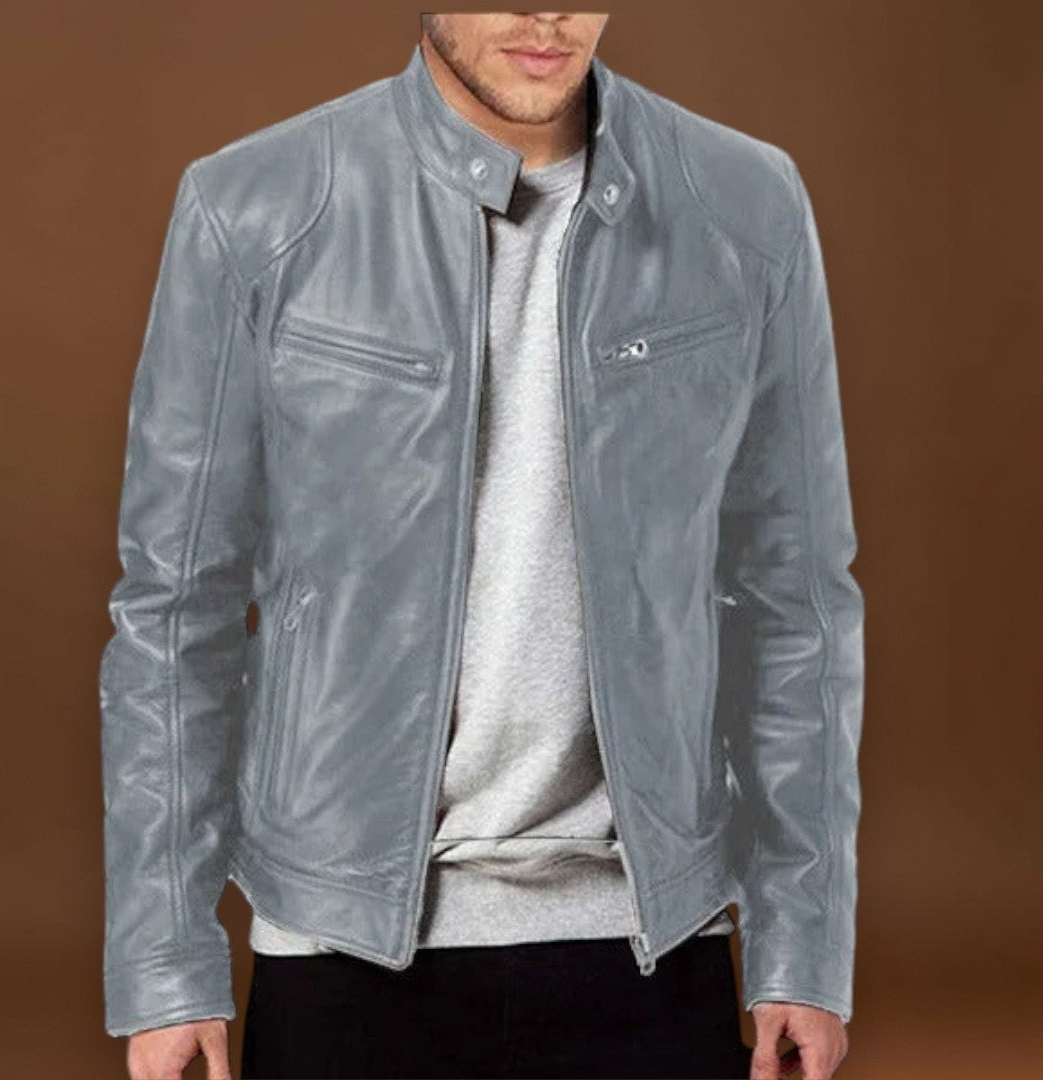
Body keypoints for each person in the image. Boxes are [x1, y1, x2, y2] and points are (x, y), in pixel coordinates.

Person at [99, 12, 863, 1080]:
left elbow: (796, 602)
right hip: (345, 943)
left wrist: (802, 948)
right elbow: (175, 609)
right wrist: (167, 959)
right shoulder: (256, 205)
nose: (546, 13)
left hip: (649, 941)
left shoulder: (743, 203)